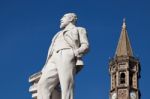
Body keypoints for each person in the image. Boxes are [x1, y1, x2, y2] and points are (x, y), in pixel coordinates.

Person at [37, 13, 89, 99]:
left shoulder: (79, 29)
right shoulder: (57, 34)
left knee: (66, 86)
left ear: (71, 19)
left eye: (64, 17)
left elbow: (85, 45)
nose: (61, 19)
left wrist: (74, 52)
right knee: (42, 85)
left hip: (67, 54)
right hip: (53, 58)